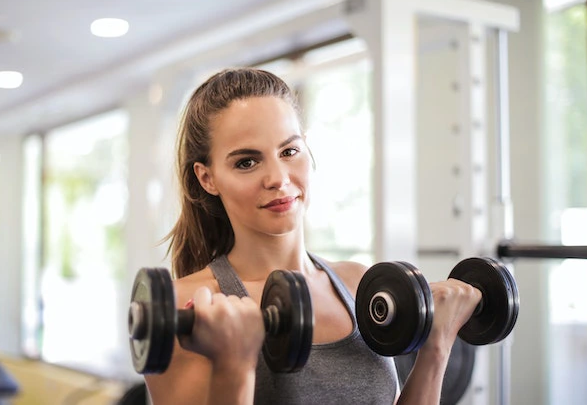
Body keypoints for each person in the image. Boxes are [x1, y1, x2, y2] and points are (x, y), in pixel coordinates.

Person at [144, 68, 482, 405]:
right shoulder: (186, 308)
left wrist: (437, 345)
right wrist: (234, 364)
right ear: (207, 178)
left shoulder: (360, 285)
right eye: (247, 162)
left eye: (289, 151)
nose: (278, 178)